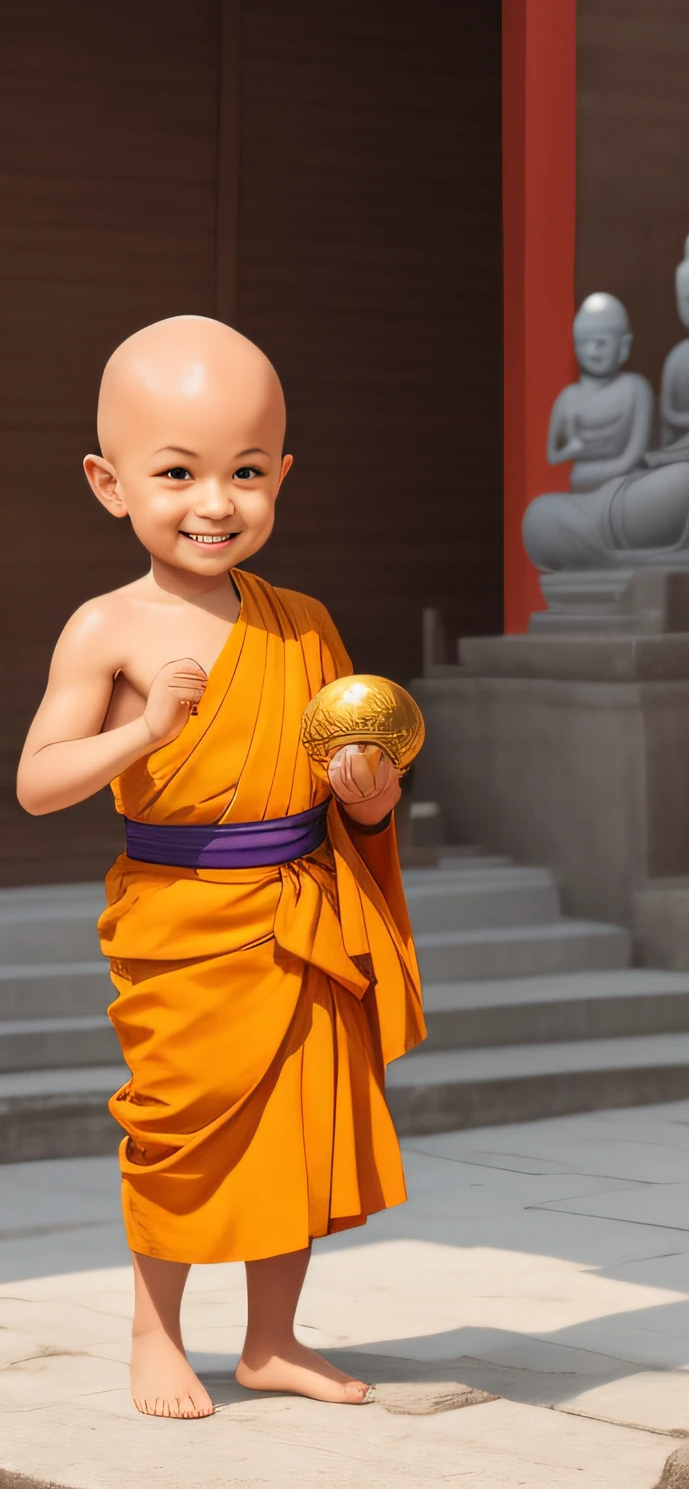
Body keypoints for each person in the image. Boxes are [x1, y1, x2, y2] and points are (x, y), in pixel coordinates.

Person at [13, 318, 420, 1419]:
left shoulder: (305, 626)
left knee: (293, 1132)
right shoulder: (107, 627)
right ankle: (157, 1334)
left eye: (246, 472)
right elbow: (39, 781)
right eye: (179, 472)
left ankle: (272, 1340)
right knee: (179, 1128)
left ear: (281, 474)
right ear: (109, 483)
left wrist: (369, 802)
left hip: (298, 910)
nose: (216, 502)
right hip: (184, 918)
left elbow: (348, 784)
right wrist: (145, 734)